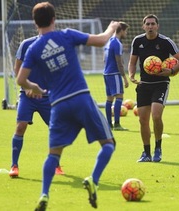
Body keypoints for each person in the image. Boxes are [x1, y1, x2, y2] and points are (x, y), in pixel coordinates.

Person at [16, 2, 119, 210]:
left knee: (54, 154)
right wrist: (112, 28)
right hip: (81, 98)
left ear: (35, 22)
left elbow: (20, 80)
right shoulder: (66, 35)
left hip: (58, 105)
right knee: (108, 144)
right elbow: (100, 41)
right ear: (54, 19)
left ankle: (44, 194)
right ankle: (93, 180)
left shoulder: (33, 48)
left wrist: (33, 86)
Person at [128, 14, 179, 162]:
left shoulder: (166, 42)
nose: (150, 26)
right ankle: (146, 153)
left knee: (156, 115)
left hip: (161, 84)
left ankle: (158, 148)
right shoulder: (138, 41)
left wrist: (172, 71)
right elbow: (132, 62)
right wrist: (131, 74)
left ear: (157, 26)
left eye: (153, 24)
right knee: (142, 120)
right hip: (144, 85)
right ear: (143, 26)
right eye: (147, 24)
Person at [9, 36, 64, 178]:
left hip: (47, 97)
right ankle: (14, 165)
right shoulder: (26, 44)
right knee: (21, 126)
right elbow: (18, 67)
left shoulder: (55, 46)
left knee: (56, 129)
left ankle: (56, 165)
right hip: (27, 96)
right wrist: (25, 86)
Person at [103, 22, 130, 131]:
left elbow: (104, 59)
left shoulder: (108, 42)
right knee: (119, 97)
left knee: (109, 99)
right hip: (114, 73)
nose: (126, 33)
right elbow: (119, 62)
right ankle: (117, 124)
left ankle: (109, 124)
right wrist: (124, 77)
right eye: (126, 31)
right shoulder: (117, 43)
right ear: (121, 30)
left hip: (106, 73)